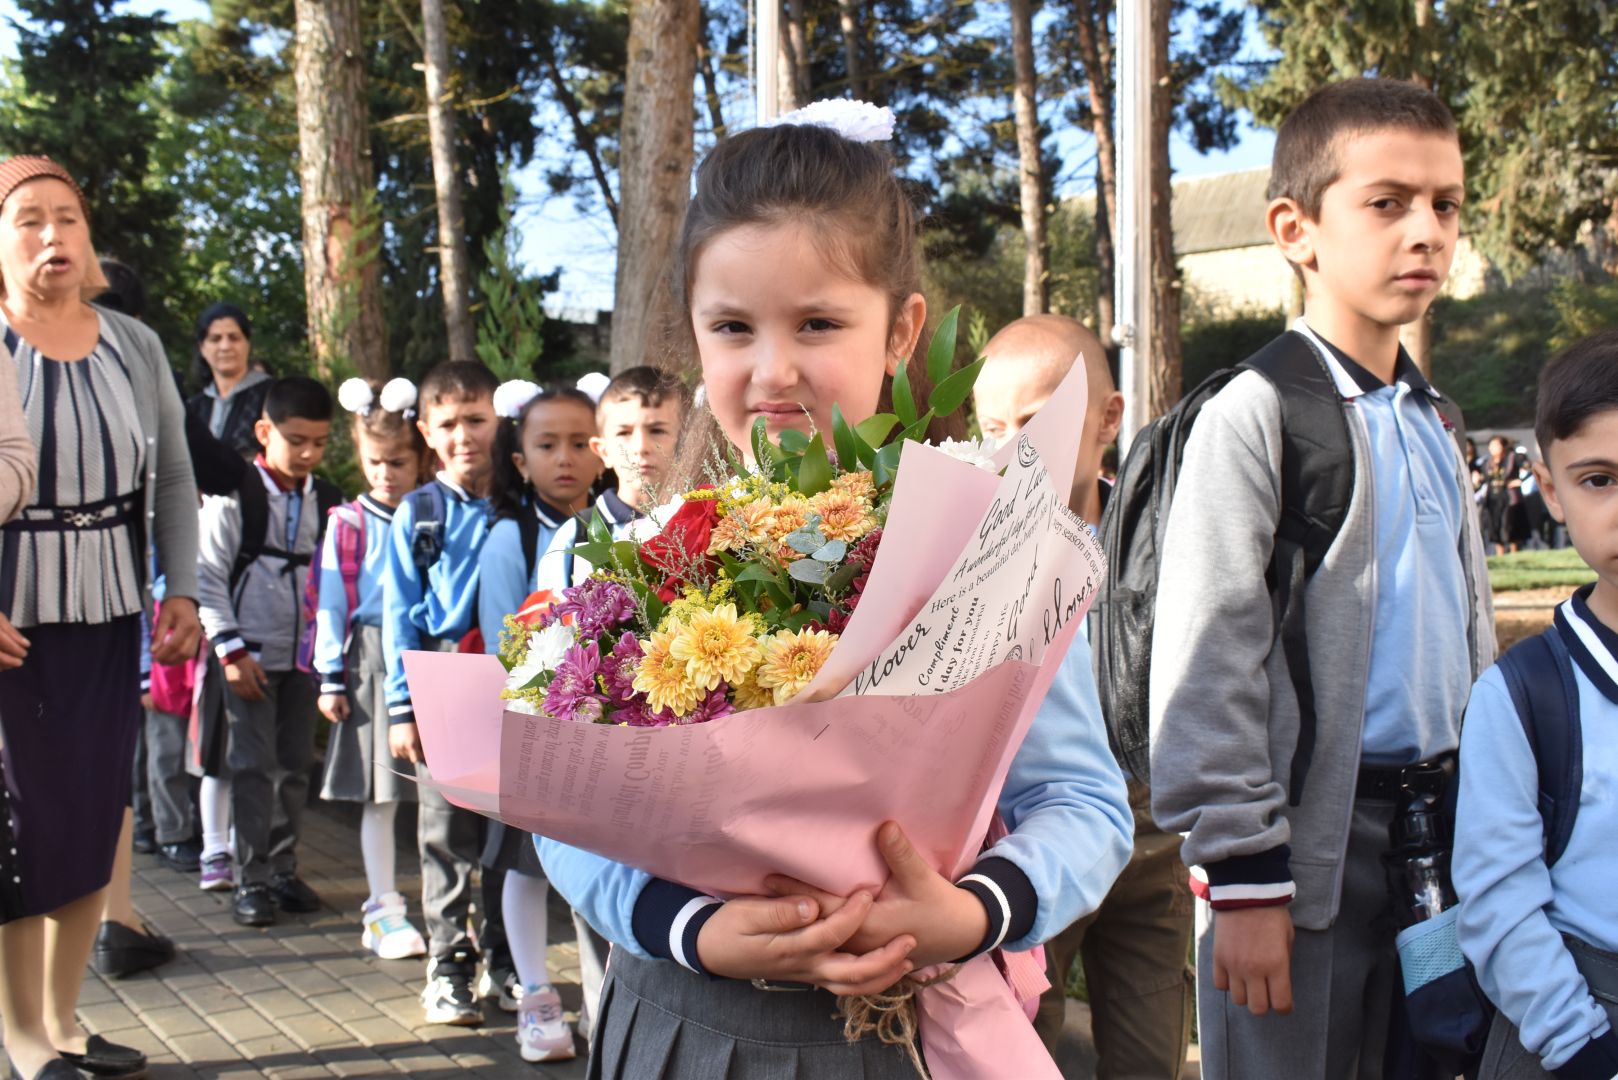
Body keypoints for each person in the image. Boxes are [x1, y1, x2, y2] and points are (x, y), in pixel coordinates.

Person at [538, 106, 1134, 1078]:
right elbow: (559, 798)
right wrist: (688, 925)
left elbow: (1082, 801)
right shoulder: (626, 566)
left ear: (899, 331)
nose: (772, 370)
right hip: (686, 1024)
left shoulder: (980, 562)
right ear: (693, 332)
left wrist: (975, 909)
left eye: (817, 323)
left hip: (894, 1037)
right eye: (732, 327)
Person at [1147, 79, 1497, 1080]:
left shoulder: (1433, 419)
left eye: (1446, 204)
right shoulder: (1255, 415)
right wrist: (1248, 881)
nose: (1425, 232)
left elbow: (1467, 636)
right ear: (1294, 228)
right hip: (1301, 857)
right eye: (1386, 203)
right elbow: (1206, 662)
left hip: (1435, 844)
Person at [0, 154, 200, 1080]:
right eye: (30, 219)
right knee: (18, 824)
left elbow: (172, 480)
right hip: (10, 622)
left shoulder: (134, 343)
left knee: (91, 814)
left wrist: (185, 592)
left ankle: (68, 1019)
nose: (53, 237)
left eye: (68, 219)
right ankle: (20, 1036)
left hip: (110, 608)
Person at [978, 314, 1194, 1078]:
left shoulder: (1165, 541)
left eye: (1034, 422)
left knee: (1151, 1045)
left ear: (1109, 416)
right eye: (992, 426)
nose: (1010, 447)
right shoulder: (974, 552)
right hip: (1031, 829)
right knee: (1022, 1034)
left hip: (1151, 825)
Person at [1453, 330, 1618, 1080]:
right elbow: (1497, 902)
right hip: (1572, 1024)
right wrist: (1582, 1045)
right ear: (1549, 490)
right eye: (1598, 480)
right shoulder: (1520, 695)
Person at [475, 381, 603, 1062]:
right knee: (524, 865)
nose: (565, 459)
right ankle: (535, 999)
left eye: (580, 443)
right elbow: (504, 642)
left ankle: (603, 1001)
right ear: (519, 460)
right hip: (534, 726)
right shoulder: (509, 537)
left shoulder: (615, 527)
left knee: (593, 868)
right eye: (547, 445)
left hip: (603, 731)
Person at [380, 360, 500, 1026]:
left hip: (516, 682)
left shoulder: (516, 499)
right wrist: (405, 705)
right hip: (445, 680)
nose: (464, 435)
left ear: (498, 420)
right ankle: (449, 962)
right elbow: (401, 611)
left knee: (512, 836)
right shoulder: (420, 513)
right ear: (427, 432)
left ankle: (508, 962)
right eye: (449, 423)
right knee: (446, 834)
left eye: (476, 419)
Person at [195, 376, 334, 928]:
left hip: (300, 660)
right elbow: (206, 579)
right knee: (251, 768)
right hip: (246, 657)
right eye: (296, 439)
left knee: (295, 767)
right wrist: (229, 651)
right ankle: (249, 879)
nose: (307, 453)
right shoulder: (235, 494)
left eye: (319, 443)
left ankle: (283, 868)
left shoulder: (326, 498)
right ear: (263, 431)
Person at [313, 379, 430, 961]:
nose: (386, 473)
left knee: (432, 794)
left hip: (424, 653)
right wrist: (330, 675)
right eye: (376, 462)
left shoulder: (429, 514)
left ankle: (441, 907)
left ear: (419, 458)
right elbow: (330, 600)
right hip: (369, 656)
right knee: (379, 792)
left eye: (399, 461)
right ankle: (382, 908)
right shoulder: (348, 523)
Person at [185, 302, 270, 460]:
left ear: (247, 343)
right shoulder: (194, 408)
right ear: (202, 348)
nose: (225, 346)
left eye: (234, 338)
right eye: (215, 339)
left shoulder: (272, 395)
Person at [1483, 434, 1529, 555]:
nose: (1493, 448)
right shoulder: (1488, 462)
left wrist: (1519, 481)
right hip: (1493, 497)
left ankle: (1514, 553)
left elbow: (1529, 467)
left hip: (1509, 497)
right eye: (1491, 446)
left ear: (1503, 446)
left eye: (1496, 445)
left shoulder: (1513, 458)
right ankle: (1500, 554)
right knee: (1495, 525)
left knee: (1509, 525)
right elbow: (1485, 479)